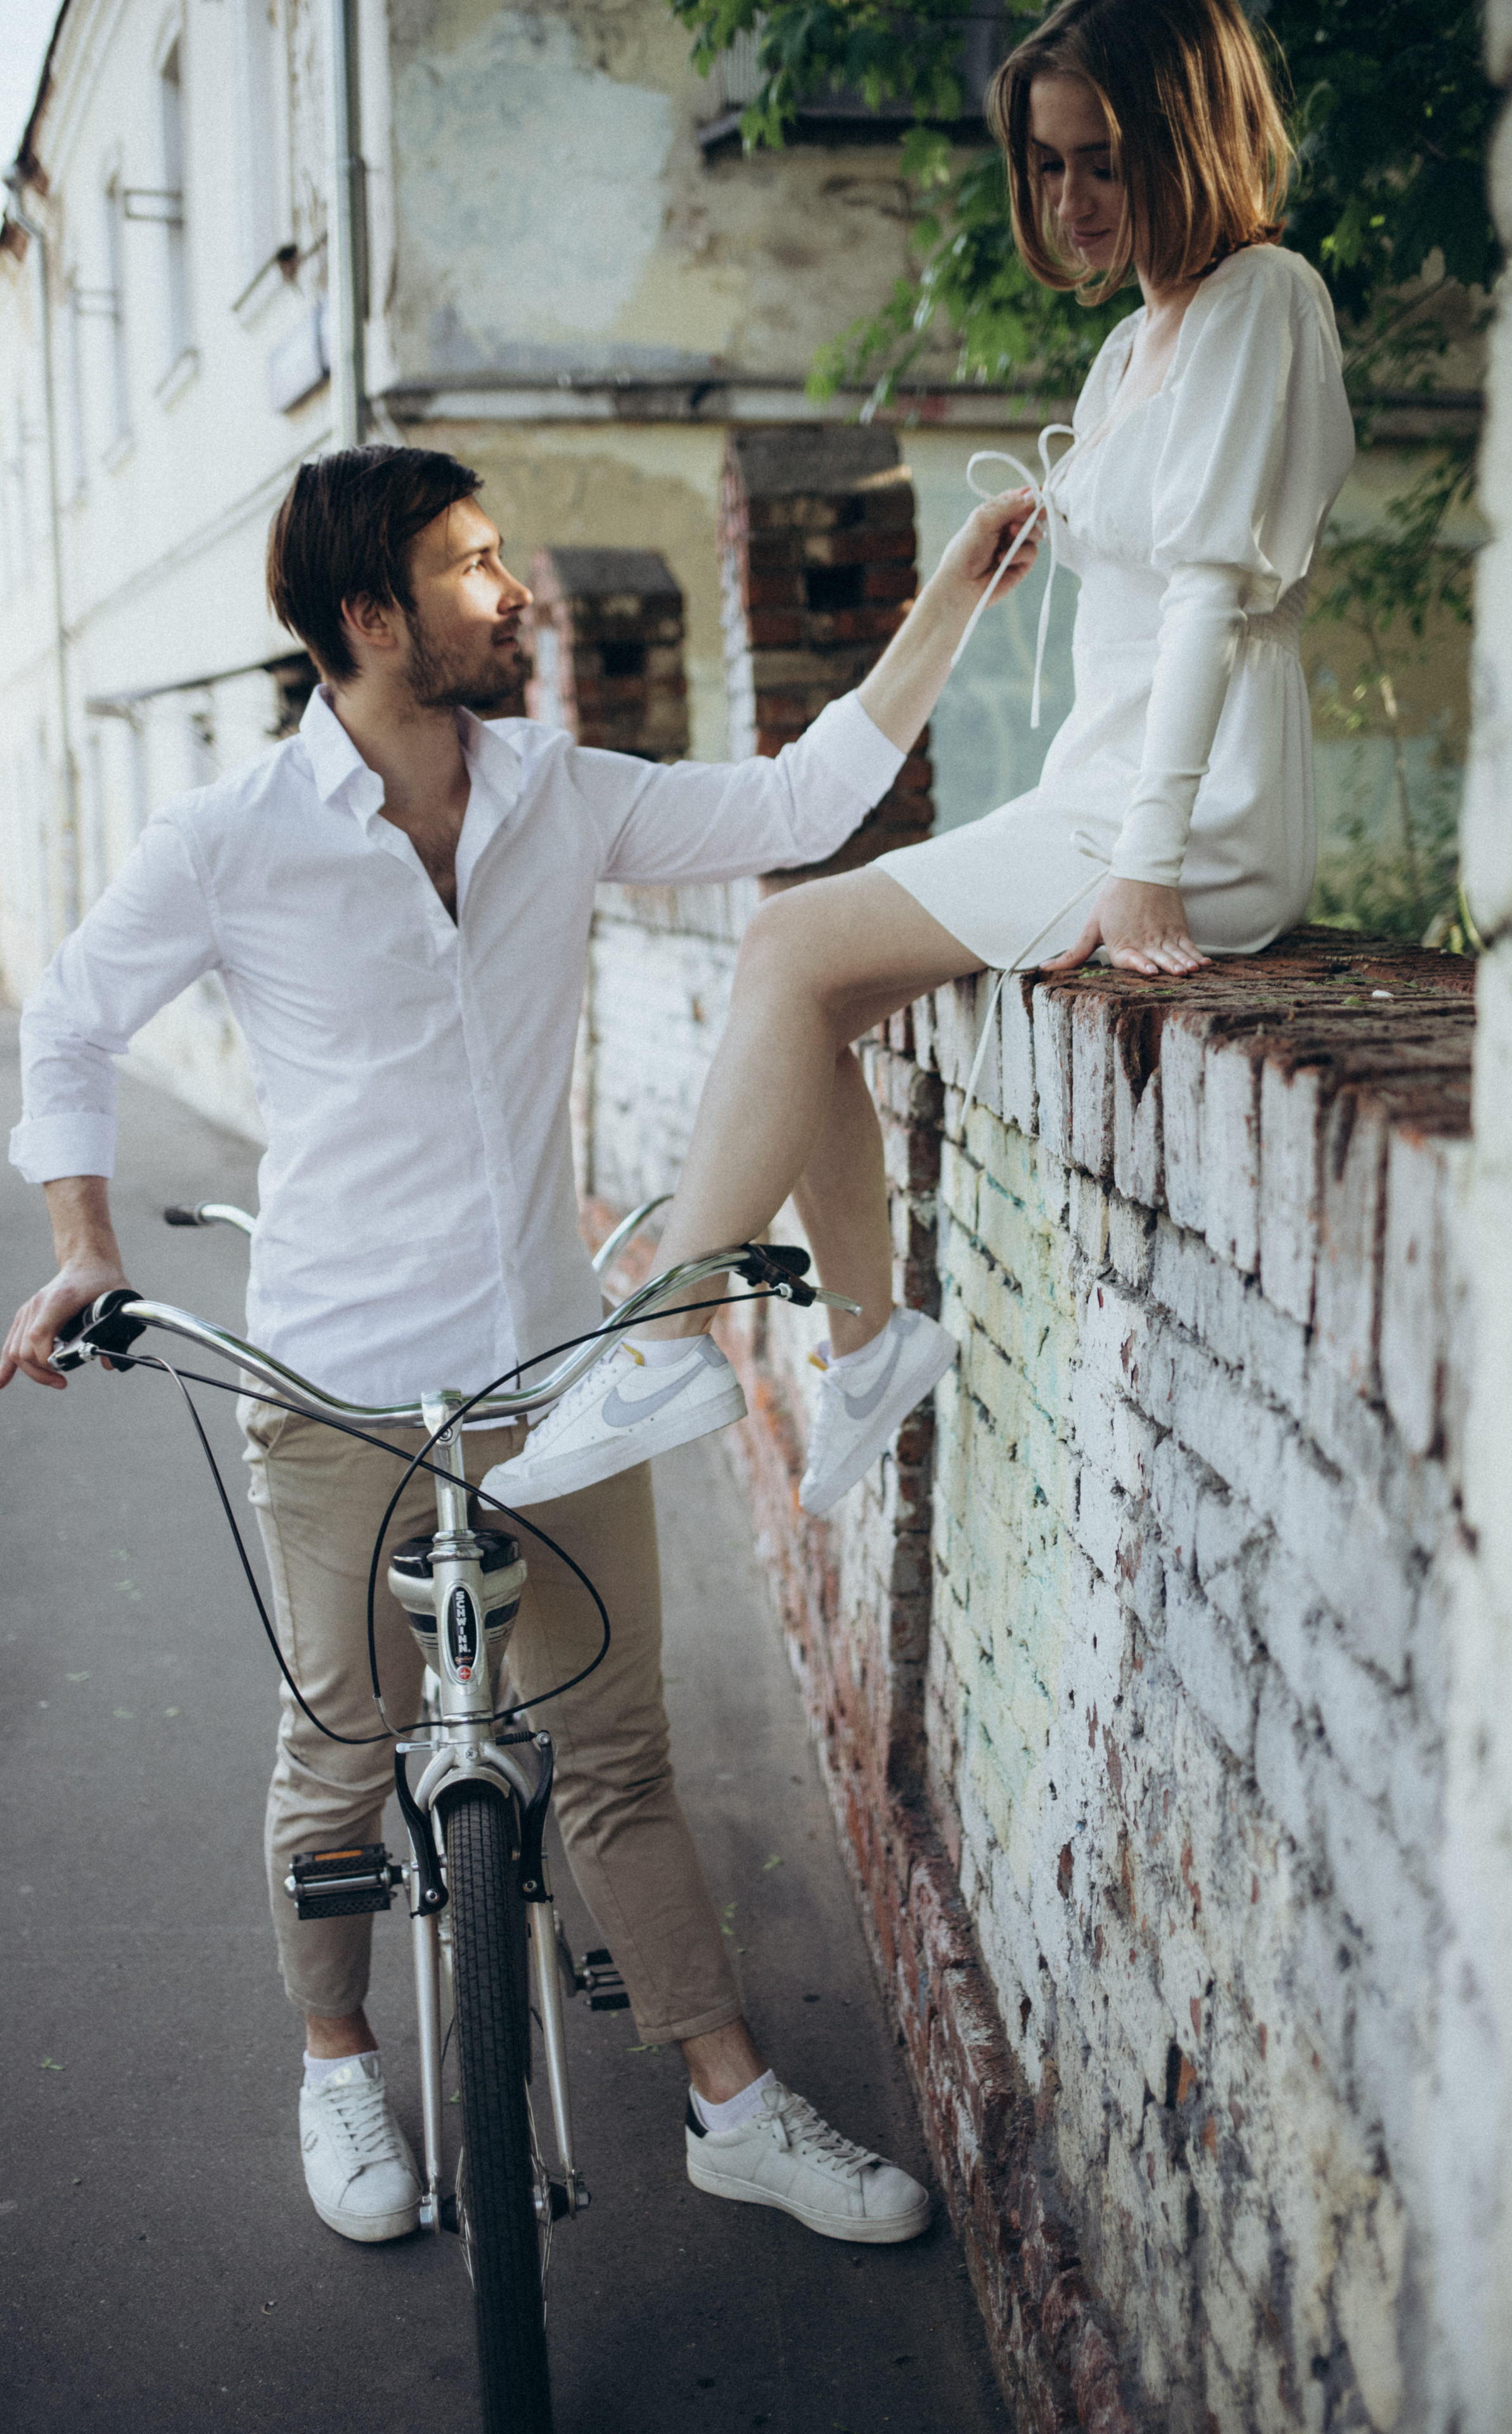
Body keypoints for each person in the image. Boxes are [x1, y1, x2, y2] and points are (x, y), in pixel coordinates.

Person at [2, 445, 1039, 2248]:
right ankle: (337, 2065)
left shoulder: (557, 788)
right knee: (340, 1747)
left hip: (554, 1381)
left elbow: (797, 805)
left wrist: (954, 590)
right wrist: (84, 1248)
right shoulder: (229, 838)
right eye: (474, 566)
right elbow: (71, 1026)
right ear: (369, 616)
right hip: (327, 1384)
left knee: (618, 1756)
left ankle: (730, 2103)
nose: (518, 589)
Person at [477, 0, 1355, 1525]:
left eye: (1104, 161)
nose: (1072, 202)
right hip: (1098, 780)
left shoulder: (1261, 298)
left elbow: (1210, 595)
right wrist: (1012, 547)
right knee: (807, 989)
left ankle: (677, 1337)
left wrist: (1149, 865)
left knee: (786, 937)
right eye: (1046, 164)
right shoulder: (1126, 350)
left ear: (1189, 137)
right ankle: (870, 1345)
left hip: (1189, 803)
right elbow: (1140, 569)